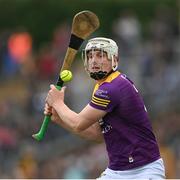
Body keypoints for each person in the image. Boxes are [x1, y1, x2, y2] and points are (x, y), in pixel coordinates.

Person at [44, 37, 165, 179]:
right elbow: (97, 134)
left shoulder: (112, 88)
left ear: (114, 59)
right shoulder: (102, 86)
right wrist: (59, 119)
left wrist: (58, 103)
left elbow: (78, 123)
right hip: (116, 172)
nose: (93, 60)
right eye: (90, 56)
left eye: (100, 55)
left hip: (144, 170)